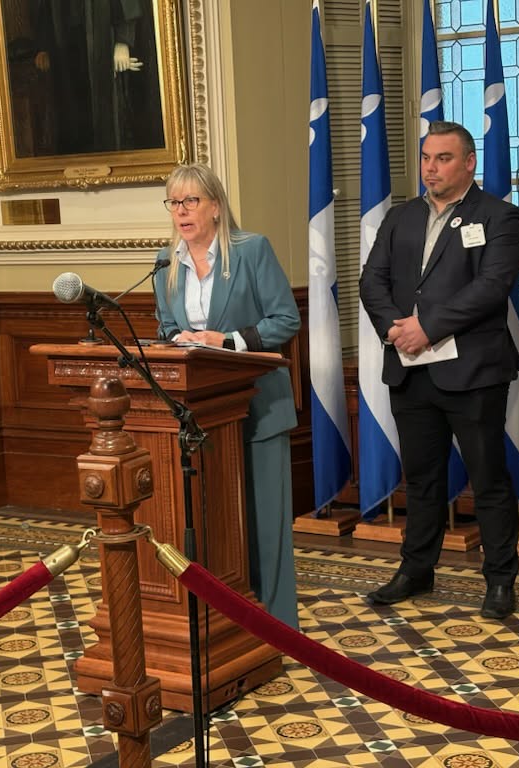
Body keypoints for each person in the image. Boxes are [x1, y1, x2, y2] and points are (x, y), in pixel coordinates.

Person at [358, 121, 519, 620]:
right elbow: (372, 280)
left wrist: (427, 327)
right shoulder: (401, 217)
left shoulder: (500, 217)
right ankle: (416, 570)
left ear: (469, 163)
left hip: (473, 372)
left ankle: (500, 580)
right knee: (422, 479)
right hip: (410, 369)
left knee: (488, 479)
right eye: (426, 158)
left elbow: (491, 288)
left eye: (443, 158)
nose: (431, 168)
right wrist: (396, 329)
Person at [153, 163, 302, 629]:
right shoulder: (165, 263)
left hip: (259, 407)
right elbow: (167, 328)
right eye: (174, 202)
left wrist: (228, 341)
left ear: (215, 207)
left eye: (191, 201)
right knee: (218, 527)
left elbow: (285, 320)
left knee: (265, 527)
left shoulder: (251, 250)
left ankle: (278, 628)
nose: (181, 211)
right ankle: (227, 624)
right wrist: (177, 340)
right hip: (202, 416)